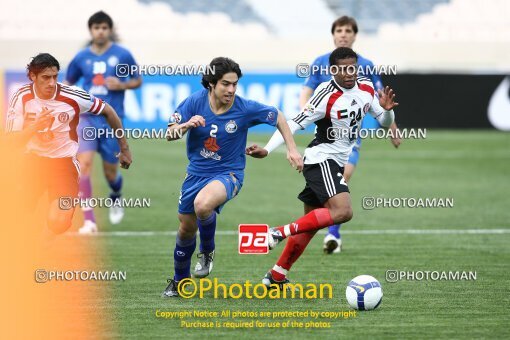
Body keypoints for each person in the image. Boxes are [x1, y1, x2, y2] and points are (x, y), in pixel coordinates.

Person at [248, 47, 398, 288]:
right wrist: (268, 149)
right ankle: (277, 232)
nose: (349, 73)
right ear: (332, 70)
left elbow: (383, 120)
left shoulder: (367, 88)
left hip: (335, 164)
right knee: (343, 212)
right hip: (320, 159)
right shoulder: (325, 93)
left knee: (310, 225)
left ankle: (276, 275)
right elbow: (295, 122)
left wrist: (389, 113)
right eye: (343, 69)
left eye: (353, 68)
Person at [161, 57, 303, 297]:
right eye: (226, 84)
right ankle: (179, 281)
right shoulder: (194, 102)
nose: (231, 90)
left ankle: (207, 253)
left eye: (235, 84)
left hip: (229, 174)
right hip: (195, 174)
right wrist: (186, 125)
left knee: (202, 205)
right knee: (186, 228)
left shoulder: (244, 107)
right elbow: (170, 133)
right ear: (211, 84)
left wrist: (291, 148)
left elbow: (278, 116)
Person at [299, 16, 401, 254]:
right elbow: (306, 91)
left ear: (354, 35)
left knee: (343, 177)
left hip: (350, 139)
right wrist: (303, 116)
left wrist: (392, 129)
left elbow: (381, 100)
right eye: (339, 30)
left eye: (348, 30)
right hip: (323, 139)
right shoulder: (320, 63)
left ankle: (333, 234)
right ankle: (307, 232)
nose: (343, 34)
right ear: (333, 34)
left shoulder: (365, 65)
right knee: (322, 193)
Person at [5, 53, 132, 235]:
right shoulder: (21, 97)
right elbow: (11, 142)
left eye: (55, 77)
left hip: (62, 165)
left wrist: (125, 148)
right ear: (33, 76)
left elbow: (109, 111)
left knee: (58, 223)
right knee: (15, 218)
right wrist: (34, 127)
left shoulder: (72, 95)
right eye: (45, 77)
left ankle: (54, 207)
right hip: (31, 162)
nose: (51, 82)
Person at [65, 11, 142, 234]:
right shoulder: (81, 58)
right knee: (84, 165)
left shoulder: (122, 55)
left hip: (112, 120)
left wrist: (123, 85)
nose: (100, 31)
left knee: (111, 174)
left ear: (110, 30)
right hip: (87, 118)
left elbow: (138, 80)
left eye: (104, 27)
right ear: (91, 30)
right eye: (96, 27)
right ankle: (89, 221)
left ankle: (116, 195)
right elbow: (67, 82)